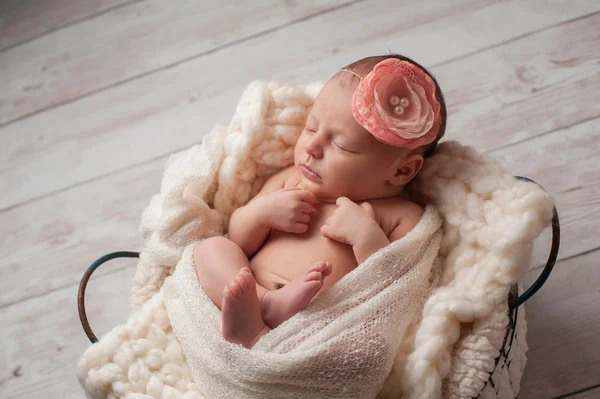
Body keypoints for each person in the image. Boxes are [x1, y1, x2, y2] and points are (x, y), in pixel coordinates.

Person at [193, 54, 447, 349]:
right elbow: (239, 240)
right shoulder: (290, 180)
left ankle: (257, 335)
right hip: (246, 298)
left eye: (340, 145)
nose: (312, 147)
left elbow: (395, 289)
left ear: (402, 170)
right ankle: (263, 308)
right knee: (211, 250)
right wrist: (260, 215)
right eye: (311, 128)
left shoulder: (401, 215)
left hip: (319, 325)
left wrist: (367, 237)